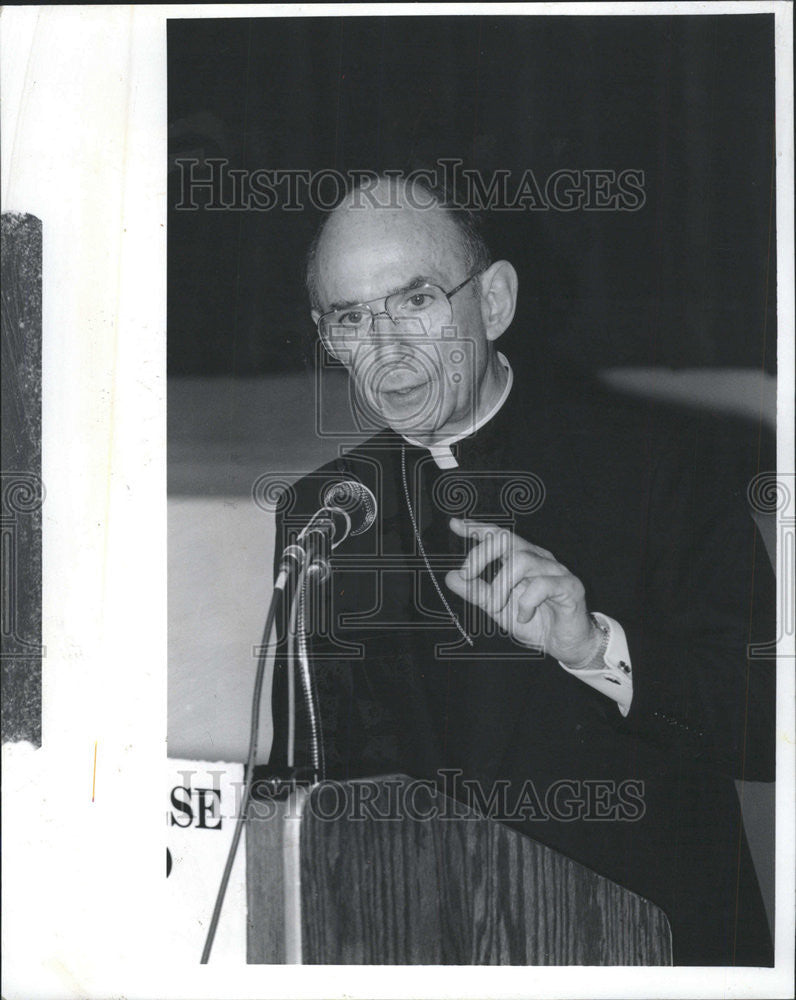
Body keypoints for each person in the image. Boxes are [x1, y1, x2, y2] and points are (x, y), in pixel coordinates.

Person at [267, 174, 775, 966]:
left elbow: (768, 727)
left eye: (416, 301)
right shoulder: (325, 510)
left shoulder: (663, 465)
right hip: (421, 947)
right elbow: (317, 775)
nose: (387, 349)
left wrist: (595, 649)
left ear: (495, 302)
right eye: (352, 318)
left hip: (647, 947)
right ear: (326, 336)